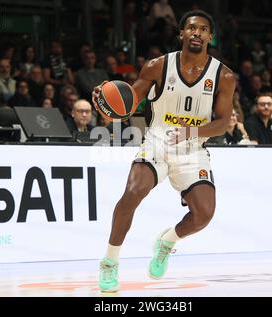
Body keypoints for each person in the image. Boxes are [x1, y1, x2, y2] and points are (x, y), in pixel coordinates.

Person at [92, 10, 235, 292]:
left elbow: (220, 125)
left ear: (210, 36)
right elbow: (130, 103)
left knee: (204, 215)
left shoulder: (225, 76)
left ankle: (168, 241)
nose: (197, 33)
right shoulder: (158, 66)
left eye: (203, 29)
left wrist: (191, 132)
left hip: (193, 148)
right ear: (181, 33)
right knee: (133, 192)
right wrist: (109, 103)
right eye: (192, 28)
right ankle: (110, 261)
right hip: (157, 141)